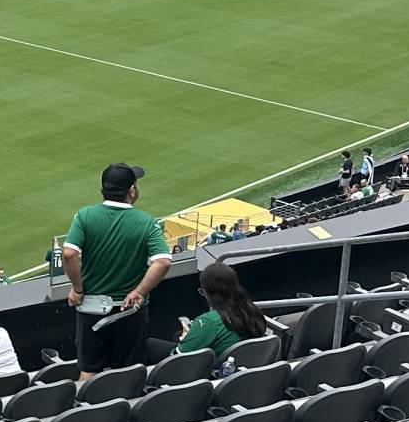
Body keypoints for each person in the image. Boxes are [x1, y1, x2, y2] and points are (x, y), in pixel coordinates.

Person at [61, 162, 172, 382]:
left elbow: (69, 254)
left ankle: (85, 414)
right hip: (130, 312)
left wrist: (77, 289)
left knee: (89, 370)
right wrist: (138, 292)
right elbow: (163, 262)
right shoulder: (146, 223)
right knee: (128, 374)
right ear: (131, 190)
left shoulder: (84, 216)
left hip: (91, 309)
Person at [176, 256, 272, 365]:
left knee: (153, 345)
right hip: (243, 372)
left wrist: (184, 338)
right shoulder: (253, 311)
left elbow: (176, 359)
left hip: (214, 375)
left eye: (203, 291)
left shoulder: (209, 321)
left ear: (210, 293)